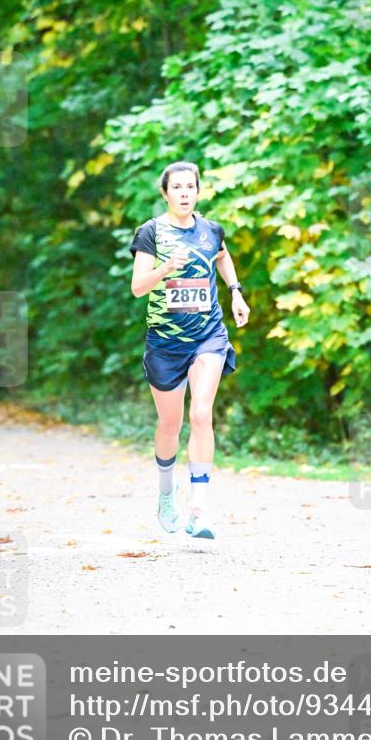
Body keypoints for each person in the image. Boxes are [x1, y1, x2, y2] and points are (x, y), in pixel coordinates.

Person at [130, 161, 250, 539]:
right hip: (165, 343)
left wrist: (235, 292)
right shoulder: (151, 232)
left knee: (201, 414)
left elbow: (223, 256)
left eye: (190, 187)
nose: (184, 193)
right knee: (170, 424)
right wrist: (165, 269)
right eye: (176, 187)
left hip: (208, 335)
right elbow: (137, 287)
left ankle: (199, 511)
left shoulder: (210, 230)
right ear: (165, 193)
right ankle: (167, 495)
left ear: (198, 191)